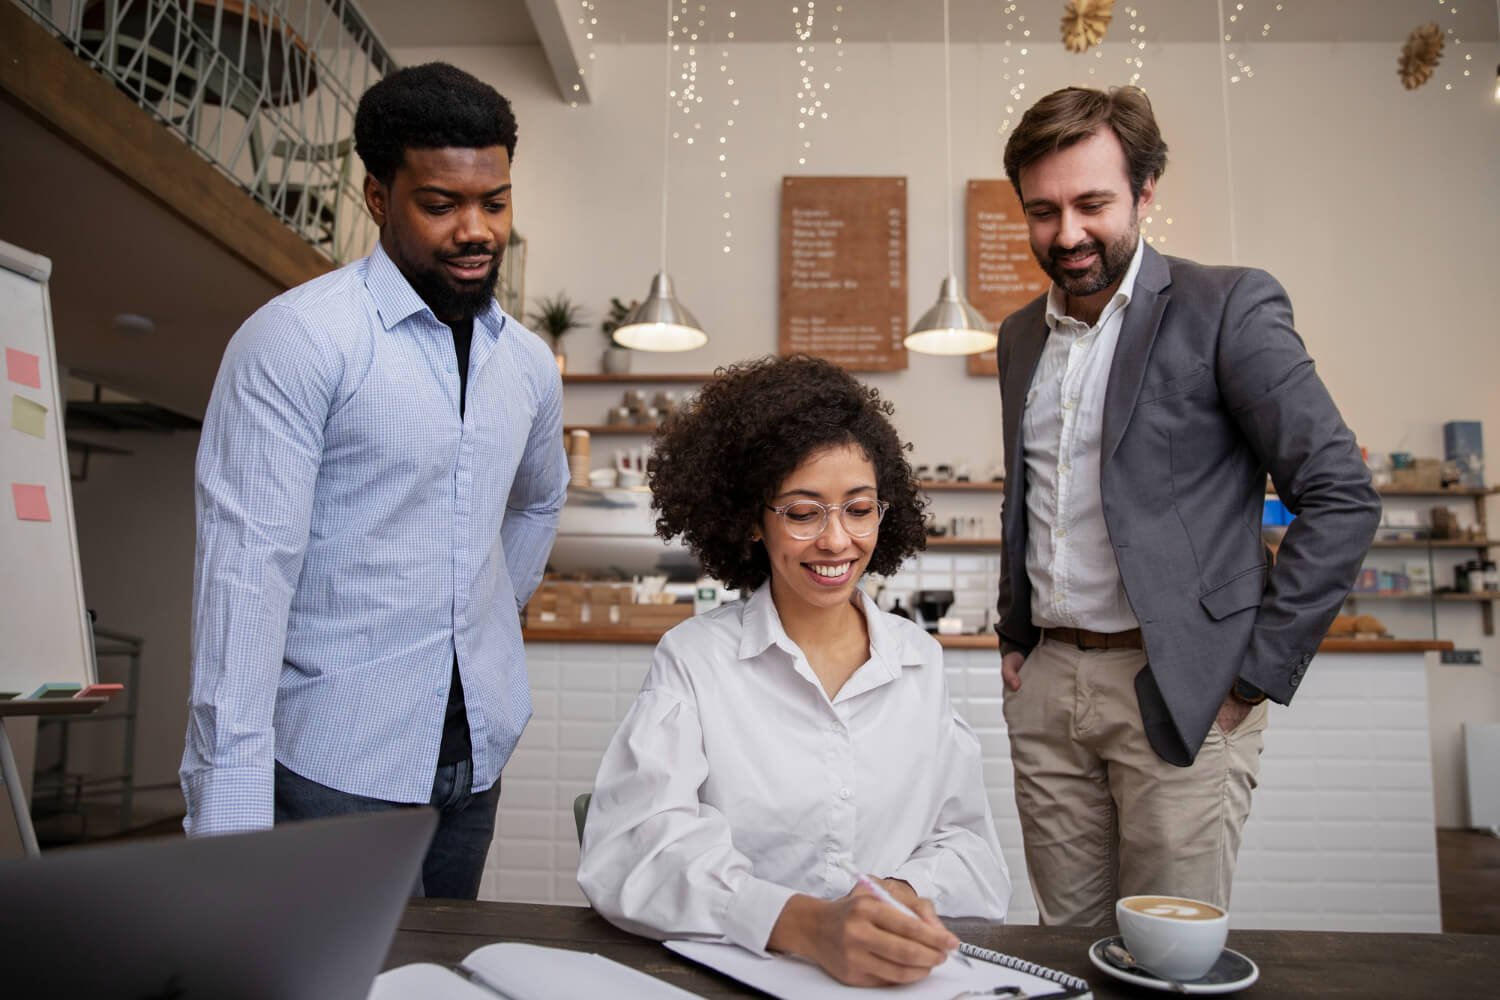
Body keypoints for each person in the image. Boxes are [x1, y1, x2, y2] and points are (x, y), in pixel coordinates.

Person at [179, 62, 568, 899]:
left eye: (494, 202)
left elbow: (539, 497)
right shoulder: (298, 342)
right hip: (332, 766)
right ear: (378, 197)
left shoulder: (529, 366)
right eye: (441, 204)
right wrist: (228, 822)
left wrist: (489, 610)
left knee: (434, 982)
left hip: (476, 759)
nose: (476, 229)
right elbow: (245, 582)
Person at [993, 85, 1380, 926]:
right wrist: (1015, 635)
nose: (1067, 234)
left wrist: (1252, 675)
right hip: (1051, 684)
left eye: (1093, 203)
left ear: (1144, 192)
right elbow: (1031, 496)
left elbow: (1341, 497)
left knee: (1166, 950)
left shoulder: (1229, 307)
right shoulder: (1020, 335)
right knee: (1068, 944)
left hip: (1183, 686)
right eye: (1043, 210)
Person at [577, 356, 1010, 987]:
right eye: (804, 513)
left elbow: (972, 853)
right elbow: (632, 853)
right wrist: (803, 924)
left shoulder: (921, 662)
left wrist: (891, 894)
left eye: (859, 510)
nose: (837, 541)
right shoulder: (695, 660)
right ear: (753, 520)